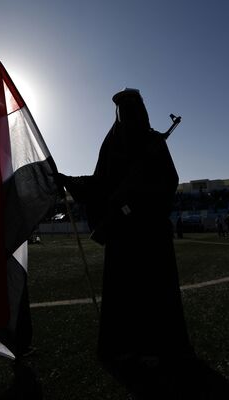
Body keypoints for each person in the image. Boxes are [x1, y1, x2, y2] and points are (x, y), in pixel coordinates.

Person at [57, 88, 194, 392]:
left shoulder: (154, 142)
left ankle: (155, 348)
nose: (127, 114)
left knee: (152, 292)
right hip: (122, 234)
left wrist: (138, 203)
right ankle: (124, 345)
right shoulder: (112, 148)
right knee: (123, 292)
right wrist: (68, 181)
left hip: (149, 234)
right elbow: (100, 184)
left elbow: (168, 182)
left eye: (132, 107)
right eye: (123, 109)